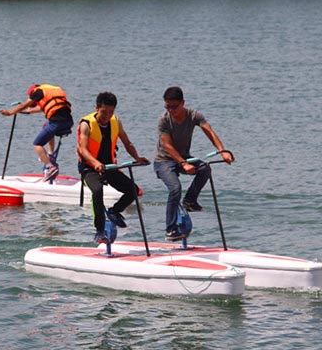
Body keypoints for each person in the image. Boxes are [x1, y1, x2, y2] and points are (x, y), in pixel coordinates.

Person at [154, 86, 234, 241]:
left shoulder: (193, 115)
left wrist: (222, 151)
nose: (171, 110)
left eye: (174, 107)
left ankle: (190, 201)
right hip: (164, 161)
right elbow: (167, 145)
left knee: (204, 169)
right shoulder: (164, 120)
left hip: (184, 158)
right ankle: (170, 229)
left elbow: (209, 131)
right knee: (175, 188)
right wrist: (183, 163)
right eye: (167, 106)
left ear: (183, 103)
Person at [77, 92, 150, 244]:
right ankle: (99, 231)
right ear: (97, 108)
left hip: (109, 167)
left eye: (111, 112)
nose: (107, 116)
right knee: (98, 191)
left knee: (134, 190)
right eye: (104, 112)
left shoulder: (116, 122)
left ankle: (114, 211)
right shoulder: (86, 124)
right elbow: (84, 150)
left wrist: (137, 158)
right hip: (89, 168)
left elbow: (127, 143)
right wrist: (95, 163)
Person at [0, 84, 74, 182]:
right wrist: (30, 111)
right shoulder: (52, 91)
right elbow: (46, 107)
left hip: (57, 122)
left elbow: (23, 106)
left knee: (37, 144)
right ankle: (51, 155)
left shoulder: (37, 91)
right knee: (46, 126)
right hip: (68, 122)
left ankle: (50, 167)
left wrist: (10, 113)